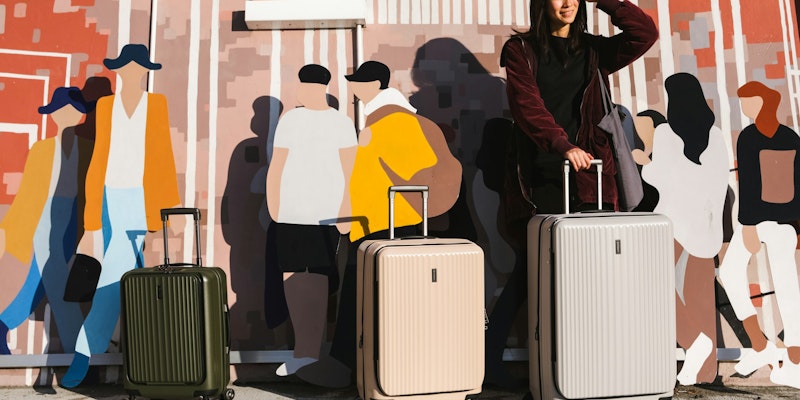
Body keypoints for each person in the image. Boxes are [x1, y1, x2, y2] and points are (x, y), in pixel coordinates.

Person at [486, 0, 657, 387]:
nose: (567, 3)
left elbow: (644, 34)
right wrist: (562, 145)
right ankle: (510, 362)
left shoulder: (594, 50)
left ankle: (591, 366)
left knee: (594, 272)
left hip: (591, 178)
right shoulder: (521, 50)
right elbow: (527, 106)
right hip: (542, 177)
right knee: (535, 271)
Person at [295, 60, 462, 388]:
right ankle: (359, 368)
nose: (354, 90)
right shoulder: (386, 120)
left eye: (358, 83)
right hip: (384, 222)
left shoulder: (391, 123)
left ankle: (348, 367)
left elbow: (395, 175)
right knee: (370, 295)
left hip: (387, 224)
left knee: (366, 295)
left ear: (374, 85)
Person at [60, 44, 182, 388]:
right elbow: (98, 159)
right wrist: (90, 223)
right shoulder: (106, 106)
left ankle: (86, 351)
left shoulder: (156, 105)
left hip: (140, 199)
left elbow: (163, 155)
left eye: (136, 67)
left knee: (117, 271)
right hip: (107, 196)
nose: (130, 73)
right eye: (124, 67)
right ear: (117, 71)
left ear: (145, 71)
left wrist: (170, 206)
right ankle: (135, 353)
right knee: (121, 273)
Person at [266, 64, 357, 377]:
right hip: (291, 214)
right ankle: (303, 352)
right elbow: (278, 165)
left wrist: (346, 211)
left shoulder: (341, 123)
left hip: (327, 216)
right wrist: (275, 206)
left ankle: (311, 353)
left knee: (320, 279)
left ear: (316, 89)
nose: (300, 92)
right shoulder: (290, 121)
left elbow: (350, 170)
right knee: (292, 276)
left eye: (304, 86)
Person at [640, 73, 729, 385]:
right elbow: (719, 181)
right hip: (704, 229)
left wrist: (643, 160)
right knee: (701, 298)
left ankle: (692, 340)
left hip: (673, 224)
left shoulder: (665, 134)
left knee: (655, 287)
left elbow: (658, 177)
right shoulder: (716, 137)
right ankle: (705, 372)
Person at [718, 81, 800, 389]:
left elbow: (751, 184)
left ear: (763, 102)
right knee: (732, 272)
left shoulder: (752, 137)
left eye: (749, 101)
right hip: (775, 222)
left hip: (768, 222)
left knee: (785, 287)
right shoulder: (788, 136)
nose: (744, 107)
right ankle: (762, 345)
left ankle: (793, 361)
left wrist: (749, 224)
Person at [0, 87, 92, 355]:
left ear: (80, 114)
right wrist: (7, 230)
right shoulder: (41, 149)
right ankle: (79, 351)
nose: (67, 115)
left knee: (37, 284)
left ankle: (2, 325)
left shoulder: (87, 149)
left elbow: (94, 190)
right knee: (57, 281)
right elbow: (27, 194)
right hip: (46, 221)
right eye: (62, 111)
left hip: (74, 221)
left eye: (73, 110)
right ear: (53, 115)